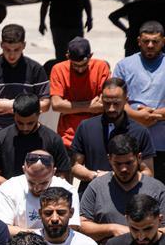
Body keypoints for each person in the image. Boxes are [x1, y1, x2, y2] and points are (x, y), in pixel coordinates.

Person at [0, 24, 51, 158]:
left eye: (16, 49)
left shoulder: (35, 69)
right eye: (7, 49)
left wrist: (15, 106)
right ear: (1, 45)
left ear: (24, 45)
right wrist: (6, 105)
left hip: (27, 134)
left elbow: (45, 105)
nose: (12, 54)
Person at [80, 134, 165, 243]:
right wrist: (112, 229)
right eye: (118, 164)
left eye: (129, 163)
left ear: (139, 158)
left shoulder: (157, 189)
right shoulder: (96, 187)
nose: (123, 169)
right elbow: (82, 225)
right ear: (109, 159)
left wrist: (140, 233)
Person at [71, 79, 156, 185]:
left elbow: (148, 172)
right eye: (107, 103)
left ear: (126, 100)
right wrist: (94, 176)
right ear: (101, 99)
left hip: (128, 194)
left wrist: (116, 177)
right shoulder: (86, 127)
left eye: (116, 103)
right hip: (93, 193)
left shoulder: (140, 131)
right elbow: (75, 166)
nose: (111, 108)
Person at [113, 21, 165, 180]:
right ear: (138, 41)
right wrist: (137, 116)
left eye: (155, 41)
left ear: (163, 41)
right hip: (131, 142)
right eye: (146, 41)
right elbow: (115, 98)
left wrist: (155, 114)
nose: (150, 45)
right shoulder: (124, 65)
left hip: (162, 143)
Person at [0, 94, 72, 187]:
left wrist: (43, 187)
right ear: (13, 114)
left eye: (30, 123)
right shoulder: (0, 139)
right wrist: (15, 189)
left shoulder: (53, 140)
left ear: (39, 114)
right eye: (20, 123)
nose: (25, 127)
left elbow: (63, 174)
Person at [0, 149, 79, 235]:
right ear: (24, 170)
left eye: (44, 183)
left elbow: (71, 228)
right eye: (31, 182)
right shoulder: (9, 188)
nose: (37, 188)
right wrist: (43, 235)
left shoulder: (67, 190)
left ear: (53, 172)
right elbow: (2, 228)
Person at [49, 37, 111, 150]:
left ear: (91, 56)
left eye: (84, 65)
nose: (80, 70)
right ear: (68, 57)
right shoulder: (58, 69)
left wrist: (69, 107)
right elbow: (56, 105)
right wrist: (89, 106)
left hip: (97, 135)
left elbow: (104, 104)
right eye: (75, 65)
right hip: (68, 138)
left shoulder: (101, 67)